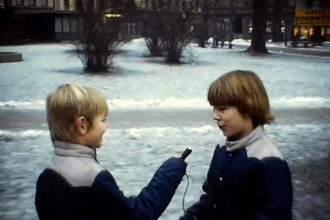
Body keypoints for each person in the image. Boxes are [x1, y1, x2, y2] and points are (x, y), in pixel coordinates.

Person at [35, 83, 187, 220]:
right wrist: (170, 172)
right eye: (103, 120)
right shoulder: (93, 177)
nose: (106, 127)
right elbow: (138, 215)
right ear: (82, 125)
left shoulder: (47, 174)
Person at [180, 70, 293, 220]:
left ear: (248, 107)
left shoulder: (268, 162)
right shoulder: (222, 148)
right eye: (214, 108)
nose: (215, 115)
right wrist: (193, 215)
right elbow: (211, 198)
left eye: (222, 108)